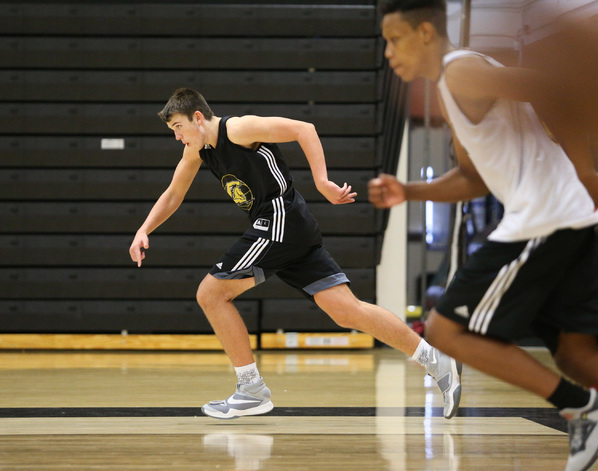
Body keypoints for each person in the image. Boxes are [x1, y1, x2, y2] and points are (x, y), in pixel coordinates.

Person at [369, 1, 598, 470]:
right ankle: (587, 399)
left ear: (427, 34)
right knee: (580, 359)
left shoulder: (460, 72)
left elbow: (553, 87)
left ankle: (584, 407)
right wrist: (408, 190)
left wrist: (588, 173)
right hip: (567, 220)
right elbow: (473, 178)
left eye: (395, 39)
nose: (389, 52)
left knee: (445, 330)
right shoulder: (454, 86)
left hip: (544, 222)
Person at [128, 87, 462, 420]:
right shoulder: (200, 151)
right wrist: (145, 229)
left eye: (178, 128)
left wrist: (322, 182)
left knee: (211, 293)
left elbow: (304, 129)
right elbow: (173, 194)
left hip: (279, 220)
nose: (177, 137)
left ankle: (251, 390)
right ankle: (435, 359)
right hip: (293, 228)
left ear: (197, 118)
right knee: (347, 311)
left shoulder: (239, 129)